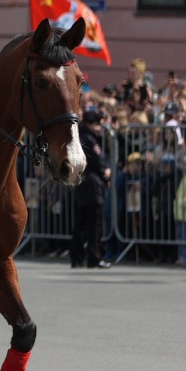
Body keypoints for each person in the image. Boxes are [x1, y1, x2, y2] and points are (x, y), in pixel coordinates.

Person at [70, 106, 111, 268]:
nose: (99, 127)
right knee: (94, 225)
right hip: (93, 184)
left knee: (80, 223)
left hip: (82, 183)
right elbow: (98, 161)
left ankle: (77, 257)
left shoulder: (79, 137)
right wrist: (105, 171)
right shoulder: (90, 139)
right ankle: (94, 257)